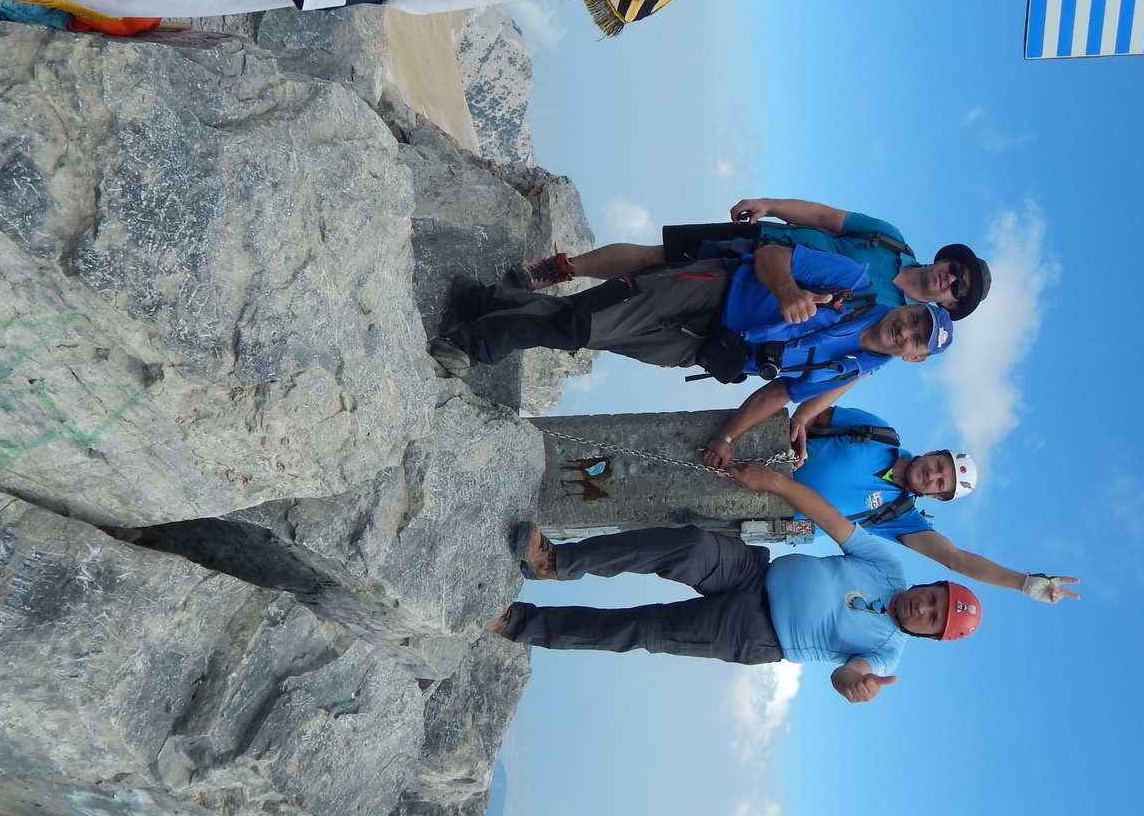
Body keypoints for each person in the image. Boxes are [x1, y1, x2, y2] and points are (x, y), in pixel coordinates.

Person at [487, 461, 981, 703]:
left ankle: (517, 623)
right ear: (931, 586)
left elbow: (847, 674)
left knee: (644, 628)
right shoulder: (889, 568)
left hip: (756, 631)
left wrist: (857, 685)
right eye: (933, 599)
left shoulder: (887, 653)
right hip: (754, 570)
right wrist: (778, 484)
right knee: (689, 544)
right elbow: (832, 519)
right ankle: (557, 561)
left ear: (928, 635)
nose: (924, 608)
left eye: (932, 619)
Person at [431, 242, 953, 407]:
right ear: (907, 307)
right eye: (915, 320)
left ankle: (482, 301)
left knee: (591, 332)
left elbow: (781, 394)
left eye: (917, 342)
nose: (907, 332)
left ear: (914, 358)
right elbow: (771, 254)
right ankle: (473, 343)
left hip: (704, 349)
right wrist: (788, 292)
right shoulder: (854, 283)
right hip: (710, 289)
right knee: (581, 325)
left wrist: (731, 436)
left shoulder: (854, 368)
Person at [729, 404, 1079, 603]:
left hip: (756, 516)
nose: (932, 475)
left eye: (940, 484)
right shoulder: (880, 434)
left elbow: (954, 558)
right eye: (939, 465)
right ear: (932, 453)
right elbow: (815, 414)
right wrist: (798, 433)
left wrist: (1022, 582)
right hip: (757, 451)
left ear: (936, 497)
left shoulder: (899, 516)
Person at [505, 196, 990, 320]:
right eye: (956, 270)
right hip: (760, 241)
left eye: (959, 290)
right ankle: (561, 269)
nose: (950, 280)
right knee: (657, 256)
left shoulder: (901, 322)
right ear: (945, 260)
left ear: (950, 306)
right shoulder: (891, 240)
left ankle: (550, 316)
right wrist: (770, 205)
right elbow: (824, 216)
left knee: (656, 295)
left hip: (756, 300)